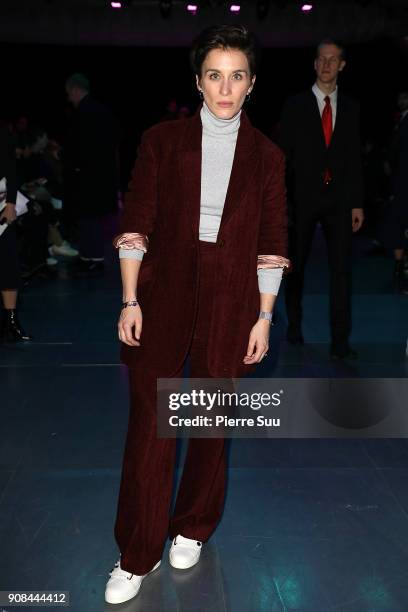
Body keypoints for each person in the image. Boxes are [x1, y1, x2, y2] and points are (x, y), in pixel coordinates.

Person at [105, 24, 290, 605]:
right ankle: (136, 554)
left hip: (233, 295)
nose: (225, 87)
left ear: (252, 83)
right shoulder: (162, 142)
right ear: (198, 82)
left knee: (211, 422)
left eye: (237, 76)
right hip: (164, 292)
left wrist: (263, 316)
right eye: (215, 75)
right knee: (150, 427)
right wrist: (130, 299)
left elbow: (271, 238)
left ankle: (192, 526)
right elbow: (135, 222)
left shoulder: (267, 157)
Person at [278, 39, 364, 360]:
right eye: (321, 59)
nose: (327, 65)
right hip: (302, 199)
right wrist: (281, 202)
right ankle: (294, 325)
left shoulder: (353, 108)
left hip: (340, 201)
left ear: (342, 66)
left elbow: (355, 158)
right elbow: (281, 155)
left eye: (333, 60)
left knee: (341, 271)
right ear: (315, 65)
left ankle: (340, 340)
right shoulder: (295, 105)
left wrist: (357, 202)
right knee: (295, 267)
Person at [64, 73, 119, 276]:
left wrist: (75, 166)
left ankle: (92, 258)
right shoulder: (102, 110)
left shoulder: (83, 112)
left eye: (69, 93)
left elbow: (79, 146)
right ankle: (89, 257)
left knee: (89, 217)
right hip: (101, 174)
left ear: (76, 90)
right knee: (91, 217)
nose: (69, 98)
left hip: (88, 174)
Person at [0, 120, 32, 341]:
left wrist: (11, 203)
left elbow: (10, 167)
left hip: (1, 204)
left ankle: (11, 320)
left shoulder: (2, 133)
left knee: (7, 261)